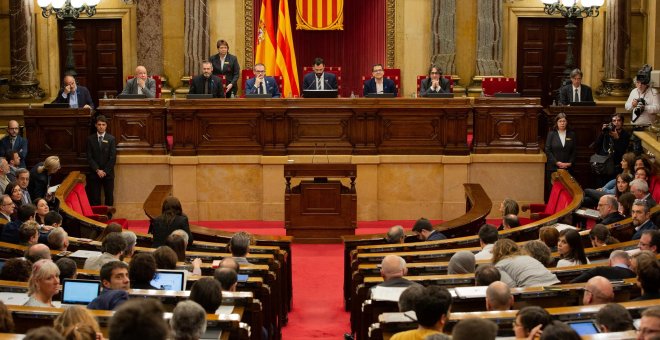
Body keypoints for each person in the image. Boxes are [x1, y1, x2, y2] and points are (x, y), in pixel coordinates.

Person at [492, 238, 560, 287]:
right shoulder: (528, 257)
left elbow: (511, 287)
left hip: (534, 290)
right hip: (556, 286)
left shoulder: (499, 265)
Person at [86, 114, 117, 207]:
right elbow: (89, 157)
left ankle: (109, 215)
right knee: (95, 197)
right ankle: (97, 217)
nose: (101, 127)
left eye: (103, 124)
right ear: (96, 125)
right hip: (95, 173)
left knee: (109, 196)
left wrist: (105, 171)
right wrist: (97, 170)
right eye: (99, 124)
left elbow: (113, 158)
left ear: (106, 126)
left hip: (108, 173)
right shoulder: (90, 139)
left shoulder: (111, 139)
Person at [545, 112, 576, 185]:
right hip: (553, 168)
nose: (562, 123)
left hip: (567, 168)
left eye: (564, 121)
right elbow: (547, 150)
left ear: (567, 122)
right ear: (556, 123)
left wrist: (569, 163)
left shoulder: (572, 134)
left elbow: (574, 151)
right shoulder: (551, 134)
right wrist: (556, 162)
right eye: (560, 121)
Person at [570, 250, 636, 283]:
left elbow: (573, 284)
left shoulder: (599, 271)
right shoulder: (637, 276)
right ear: (629, 262)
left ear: (609, 262)